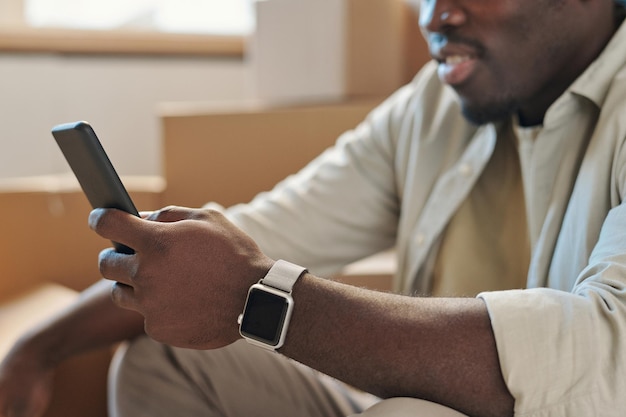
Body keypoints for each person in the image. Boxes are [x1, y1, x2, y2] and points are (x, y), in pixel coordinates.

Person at [2, 0, 626, 416]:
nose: (437, 14)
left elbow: (605, 358)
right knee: (169, 358)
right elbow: (252, 238)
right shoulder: (433, 108)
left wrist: (259, 300)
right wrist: (35, 353)